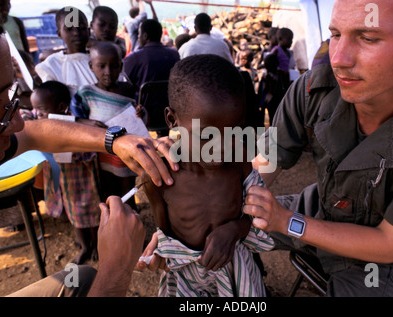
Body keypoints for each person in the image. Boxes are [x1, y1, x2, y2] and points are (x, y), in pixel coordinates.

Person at [242, 0, 393, 296]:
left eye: (368, 38)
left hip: (379, 262)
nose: (338, 59)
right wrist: (194, 216)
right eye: (336, 34)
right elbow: (263, 165)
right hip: (317, 210)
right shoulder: (313, 91)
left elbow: (388, 245)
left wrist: (288, 222)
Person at [0, 8, 178, 296]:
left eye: (11, 97)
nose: (20, 119)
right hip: (78, 167)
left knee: (81, 277)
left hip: (97, 157)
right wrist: (116, 268)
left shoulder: (117, 83)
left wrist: (114, 140)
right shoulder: (60, 70)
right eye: (3, 102)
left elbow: (35, 131)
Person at [137, 54, 274, 297]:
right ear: (172, 119)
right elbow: (164, 233)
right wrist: (158, 254)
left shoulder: (240, 159)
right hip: (185, 278)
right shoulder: (158, 176)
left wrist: (234, 230)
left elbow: (255, 215)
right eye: (206, 136)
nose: (220, 149)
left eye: (234, 132)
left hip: (235, 271)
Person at [30, 81, 102, 265]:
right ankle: (86, 246)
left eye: (41, 110)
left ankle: (97, 245)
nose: (37, 114)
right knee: (73, 216)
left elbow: (90, 152)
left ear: (61, 107)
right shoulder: (41, 125)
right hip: (60, 182)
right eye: (35, 110)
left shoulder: (76, 128)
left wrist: (74, 151)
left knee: (89, 214)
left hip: (80, 181)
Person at [71, 41, 139, 209]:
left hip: (125, 152)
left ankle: (132, 220)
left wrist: (142, 114)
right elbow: (74, 120)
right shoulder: (85, 93)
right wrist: (88, 122)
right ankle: (114, 223)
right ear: (91, 66)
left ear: (121, 65)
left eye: (114, 66)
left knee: (128, 190)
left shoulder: (128, 89)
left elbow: (139, 120)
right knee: (109, 192)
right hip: (100, 154)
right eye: (101, 66)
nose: (108, 72)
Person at [123, 19, 179, 137]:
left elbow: (124, 85)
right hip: (171, 114)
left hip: (143, 116)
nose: (138, 38)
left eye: (139, 34)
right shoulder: (174, 55)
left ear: (145, 36)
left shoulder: (134, 58)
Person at [35, 7, 97, 96]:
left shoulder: (100, 59)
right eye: (69, 29)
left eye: (81, 27)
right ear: (59, 34)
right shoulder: (52, 65)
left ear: (88, 31)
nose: (76, 32)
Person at [258, 53, 287, 126]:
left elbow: (262, 91)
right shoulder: (281, 75)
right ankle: (273, 136)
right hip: (277, 102)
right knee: (274, 120)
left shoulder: (266, 77)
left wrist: (261, 103)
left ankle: (266, 136)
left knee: (265, 120)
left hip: (268, 101)